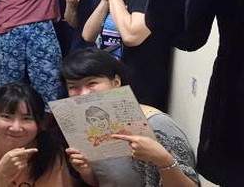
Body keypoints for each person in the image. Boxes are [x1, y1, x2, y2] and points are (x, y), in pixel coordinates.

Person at [62, 48, 200, 187]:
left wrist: (163, 160)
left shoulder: (157, 123)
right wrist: (86, 172)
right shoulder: (85, 129)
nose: (83, 94)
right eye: (73, 87)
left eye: (92, 83)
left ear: (116, 82)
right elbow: (105, 180)